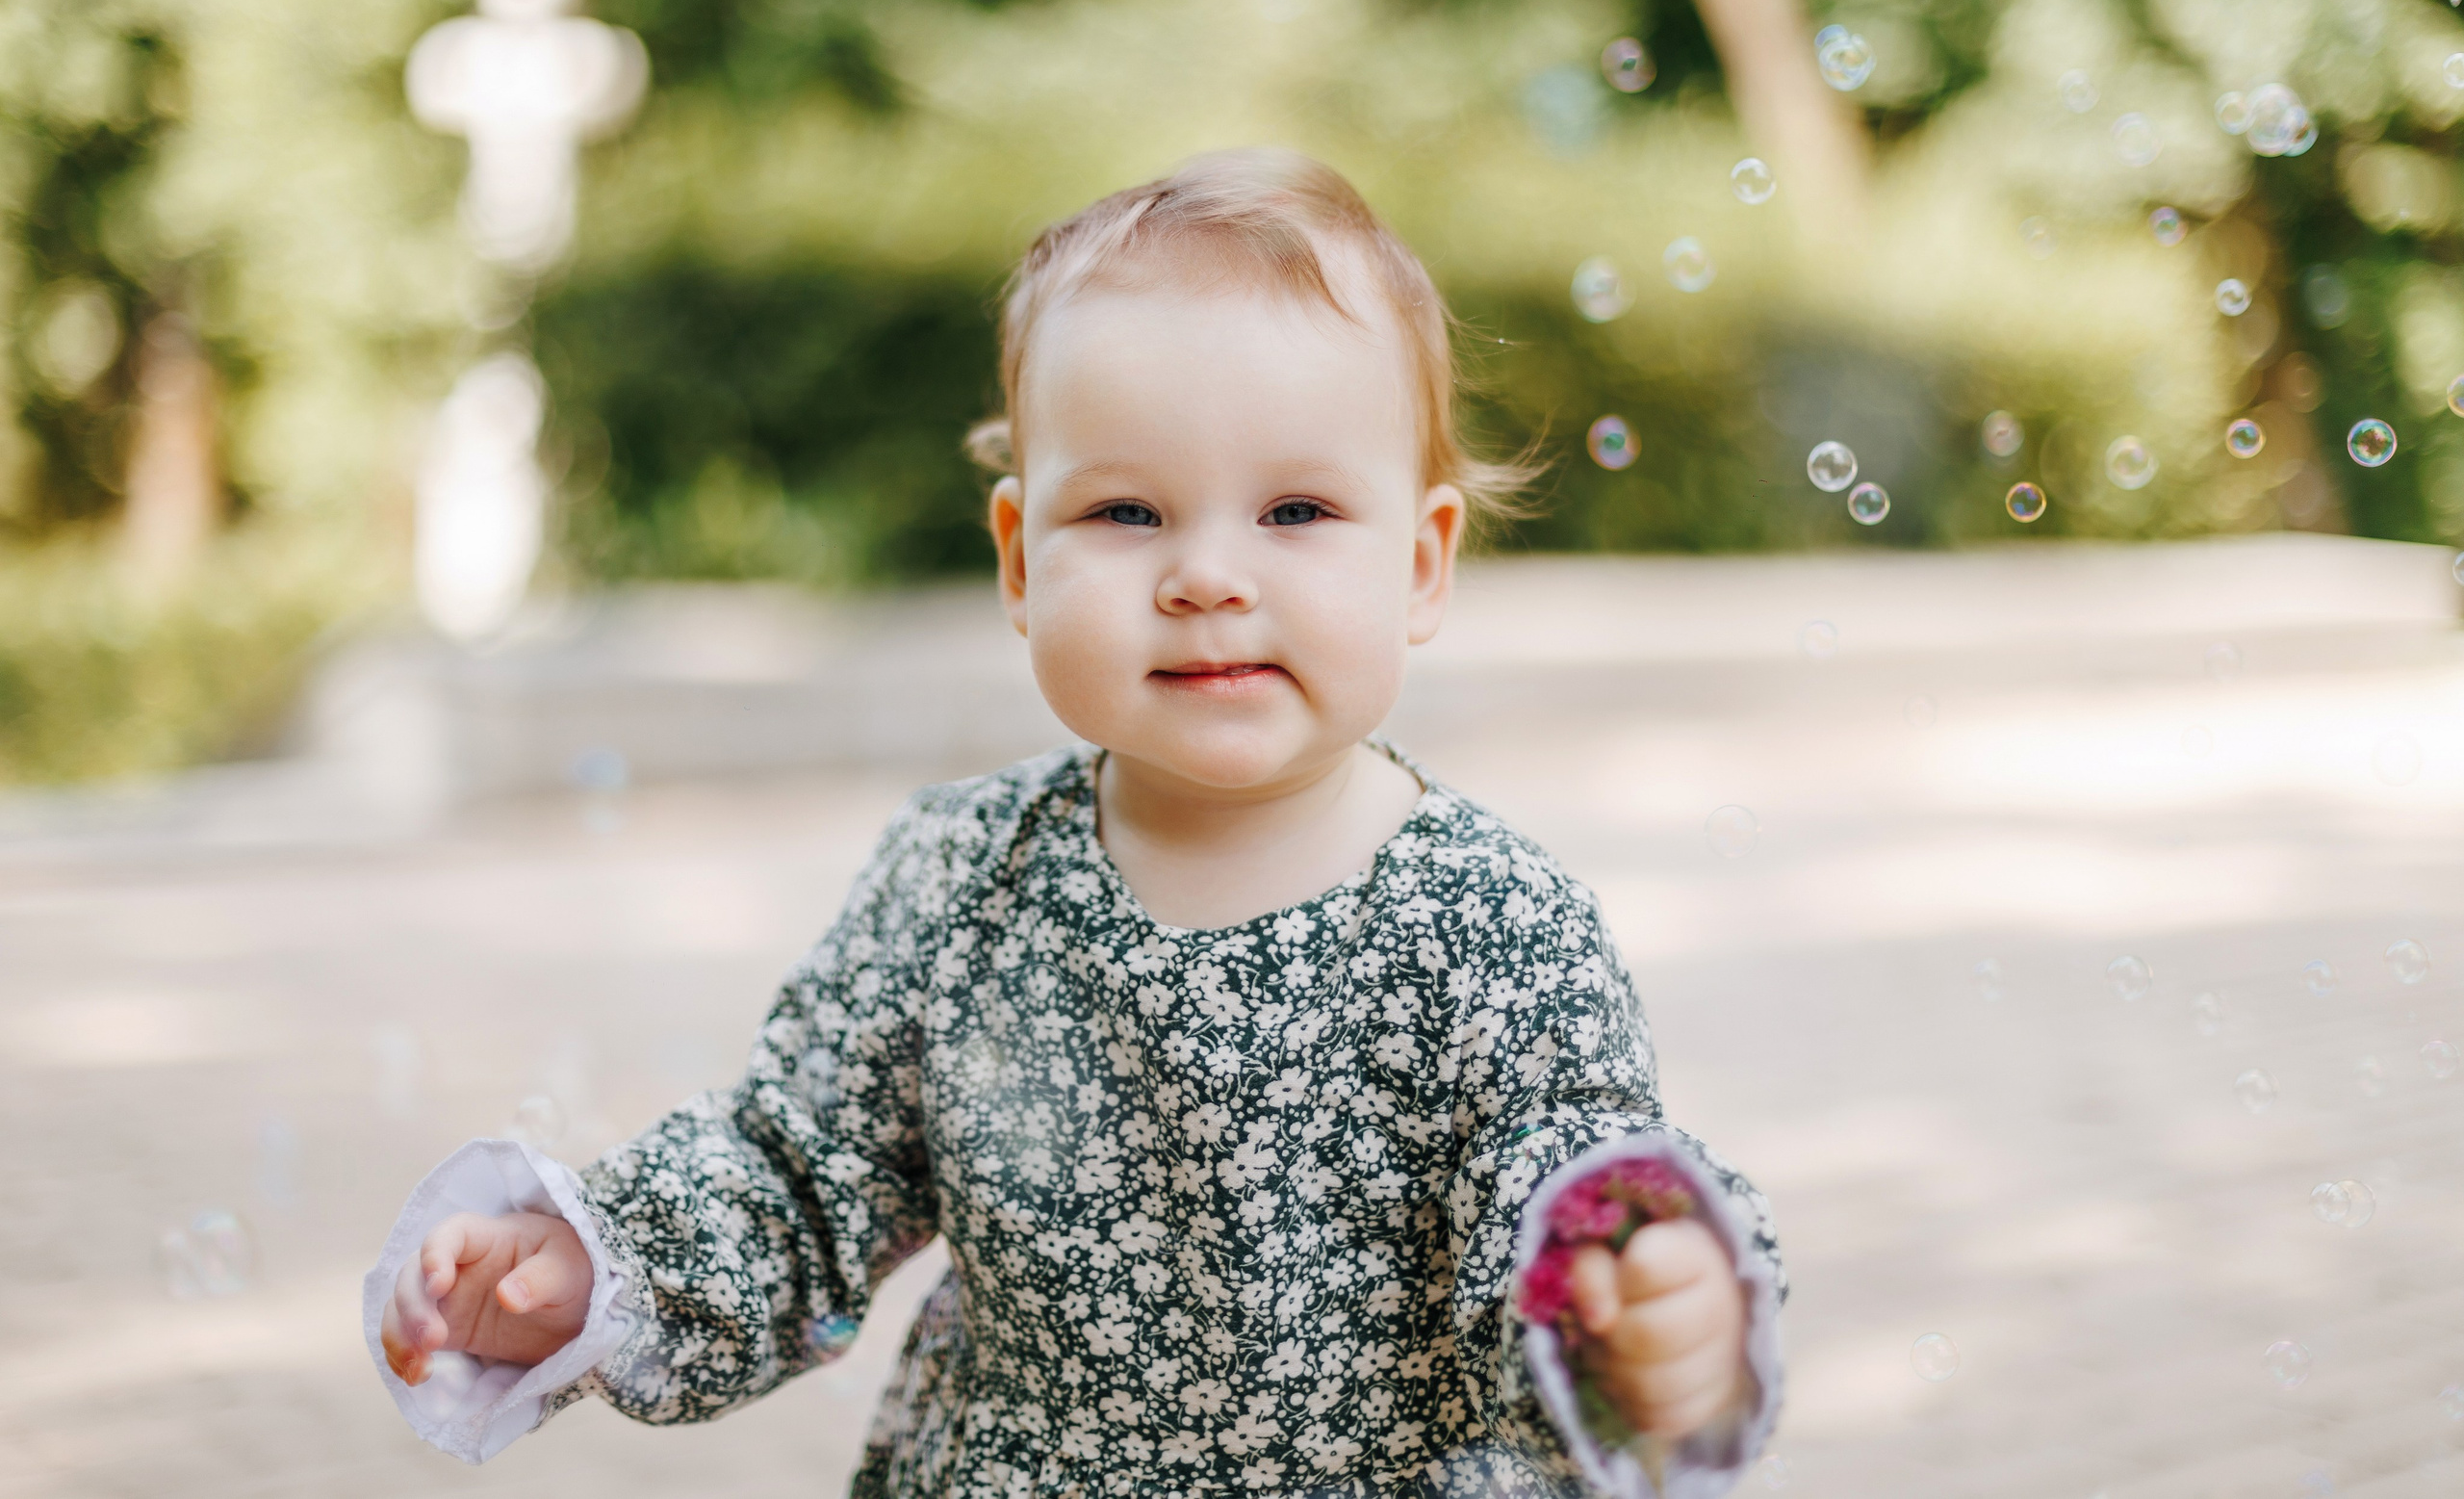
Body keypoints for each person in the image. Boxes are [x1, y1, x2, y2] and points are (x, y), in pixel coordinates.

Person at [369, 149, 1784, 1497]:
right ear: (1018, 560)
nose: (1207, 576)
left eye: (1295, 509)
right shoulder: (959, 880)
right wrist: (595, 1264)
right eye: (1125, 513)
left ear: (1420, 566)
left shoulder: (1493, 926)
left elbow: (1567, 1184)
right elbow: (798, 1175)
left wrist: (1651, 1302)